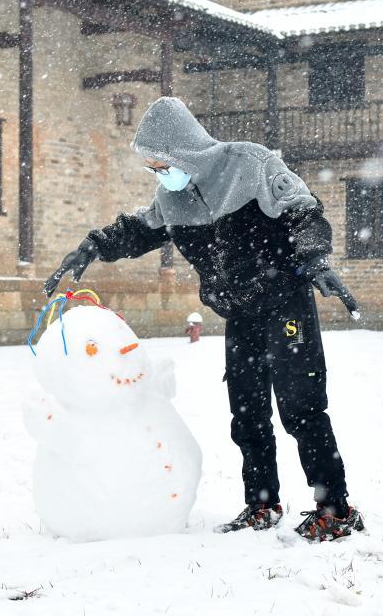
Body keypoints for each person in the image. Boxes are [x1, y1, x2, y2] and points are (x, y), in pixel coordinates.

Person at [42, 97, 364, 541]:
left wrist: (316, 261)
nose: (159, 174)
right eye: (152, 168)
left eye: (162, 164)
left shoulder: (251, 164)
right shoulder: (170, 197)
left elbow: (302, 211)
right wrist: (92, 246)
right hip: (240, 312)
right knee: (247, 412)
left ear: (185, 152)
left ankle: (336, 510)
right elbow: (140, 227)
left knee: (301, 408)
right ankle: (263, 504)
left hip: (284, 300)